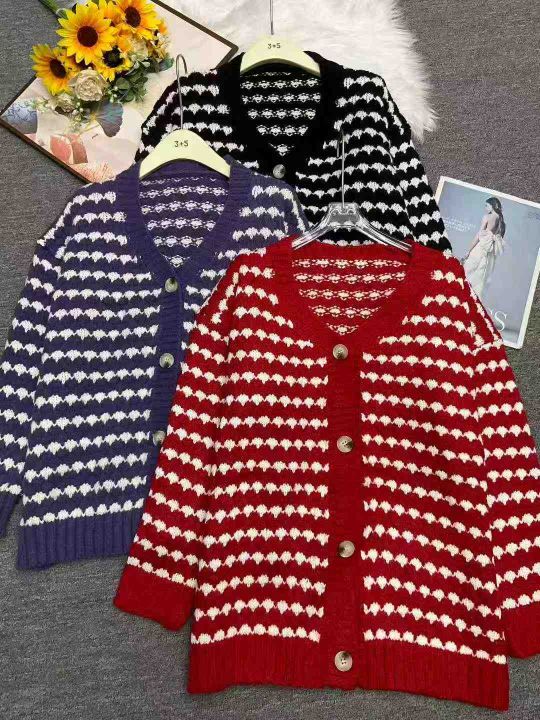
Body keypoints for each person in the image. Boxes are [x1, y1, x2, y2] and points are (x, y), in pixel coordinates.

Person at [462, 197, 506, 299]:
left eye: (487, 206)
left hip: (481, 248)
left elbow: (478, 235)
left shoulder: (487, 217)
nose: (485, 208)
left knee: (468, 271)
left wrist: (468, 251)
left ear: (493, 206)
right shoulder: (502, 222)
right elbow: (498, 238)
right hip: (490, 253)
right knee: (481, 278)